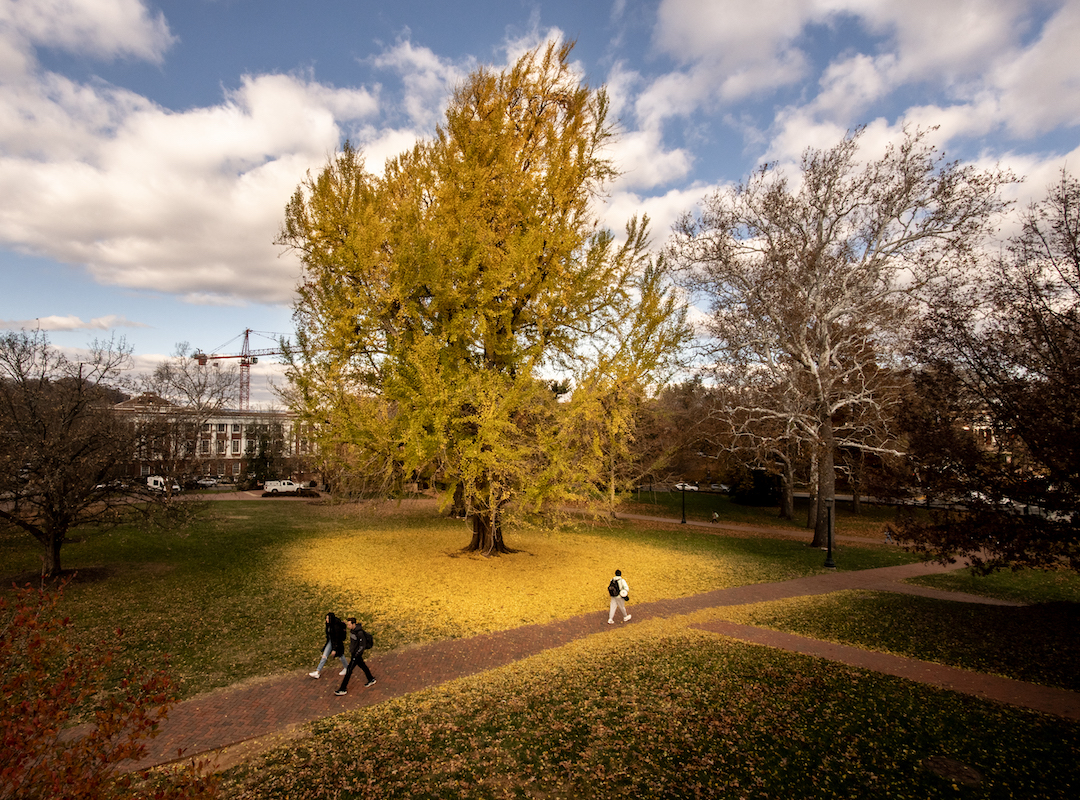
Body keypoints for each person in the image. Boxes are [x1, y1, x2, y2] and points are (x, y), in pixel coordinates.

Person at [334, 617, 376, 696]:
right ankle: (371, 678)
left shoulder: (359, 633)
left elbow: (362, 646)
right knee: (363, 666)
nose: (348, 626)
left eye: (349, 625)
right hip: (354, 653)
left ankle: (343, 688)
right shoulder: (352, 631)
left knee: (349, 670)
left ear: (354, 624)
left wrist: (356, 654)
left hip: (356, 654)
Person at [308, 612, 348, 678]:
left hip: (337, 643)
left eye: (327, 618)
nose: (326, 619)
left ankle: (346, 667)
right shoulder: (329, 625)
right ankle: (318, 671)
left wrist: (334, 649)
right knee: (324, 656)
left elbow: (337, 638)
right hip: (331, 641)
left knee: (341, 655)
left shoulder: (336, 627)